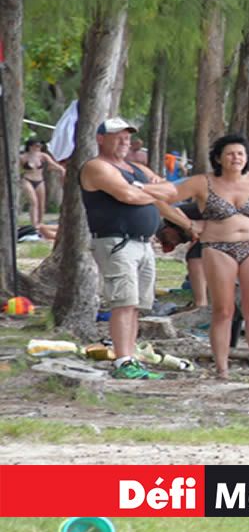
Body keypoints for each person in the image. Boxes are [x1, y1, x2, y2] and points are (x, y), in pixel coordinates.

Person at [169, 135, 249, 379]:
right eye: (230, 153)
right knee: (223, 310)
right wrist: (187, 224)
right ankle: (222, 369)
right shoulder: (202, 182)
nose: (236, 158)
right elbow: (163, 199)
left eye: (240, 153)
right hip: (218, 246)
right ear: (218, 157)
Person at [80, 118, 177, 380]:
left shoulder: (137, 169)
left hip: (144, 244)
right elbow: (127, 196)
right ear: (100, 138)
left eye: (127, 137)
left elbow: (170, 191)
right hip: (116, 242)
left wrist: (144, 188)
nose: (124, 141)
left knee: (136, 305)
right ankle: (122, 361)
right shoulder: (96, 167)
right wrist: (149, 192)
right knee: (123, 302)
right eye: (116, 136)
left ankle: (131, 355)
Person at [18, 139, 65, 227]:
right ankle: (34, 224)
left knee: (41, 204)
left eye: (40, 146)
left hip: (40, 180)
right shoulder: (23, 157)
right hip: (27, 180)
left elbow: (53, 164)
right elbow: (16, 169)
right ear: (30, 146)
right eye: (36, 146)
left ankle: (40, 224)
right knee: (33, 202)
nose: (38, 148)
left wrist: (62, 170)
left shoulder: (43, 156)